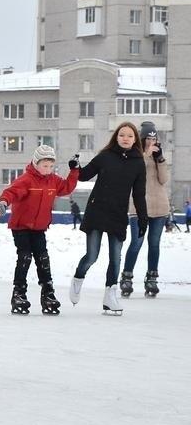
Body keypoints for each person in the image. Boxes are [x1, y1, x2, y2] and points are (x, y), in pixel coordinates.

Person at [69, 122, 147, 315]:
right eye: (122, 135)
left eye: (130, 135)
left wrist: (143, 218)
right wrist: (76, 167)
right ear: (116, 137)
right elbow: (85, 176)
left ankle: (110, 297)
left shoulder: (138, 163)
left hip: (118, 214)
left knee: (115, 258)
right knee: (92, 256)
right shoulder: (106, 156)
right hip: (97, 210)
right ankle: (78, 278)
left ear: (135, 139)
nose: (126, 138)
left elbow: (139, 194)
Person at [0, 145, 79, 315]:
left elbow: (67, 187)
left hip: (39, 228)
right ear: (36, 163)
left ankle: (48, 293)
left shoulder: (54, 180)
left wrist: (74, 171)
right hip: (21, 227)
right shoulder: (26, 180)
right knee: (25, 256)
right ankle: (19, 293)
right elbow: (11, 192)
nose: (47, 170)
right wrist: (4, 202)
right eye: (44, 166)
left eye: (50, 166)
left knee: (43, 258)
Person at [119, 122, 169, 298]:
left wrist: (160, 160)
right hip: (139, 208)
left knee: (154, 244)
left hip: (160, 207)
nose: (151, 141)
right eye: (148, 138)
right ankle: (126, 277)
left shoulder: (158, 157)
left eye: (154, 138)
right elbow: (133, 173)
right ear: (142, 139)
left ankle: (152, 278)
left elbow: (164, 180)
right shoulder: (134, 154)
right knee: (136, 243)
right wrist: (147, 155)